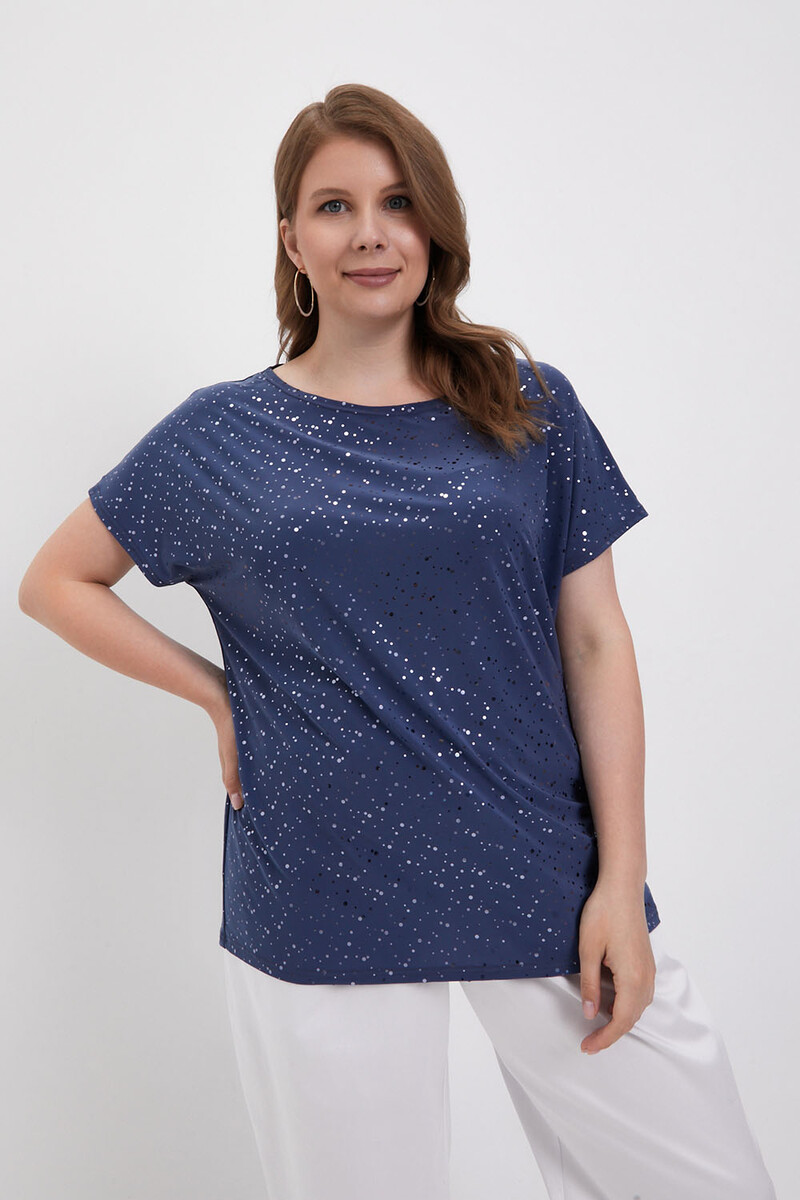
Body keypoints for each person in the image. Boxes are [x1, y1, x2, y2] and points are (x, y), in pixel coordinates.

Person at [18, 83, 776, 1200]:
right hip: (319, 877)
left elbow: (596, 643)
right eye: (334, 206)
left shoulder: (527, 404)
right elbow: (54, 582)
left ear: (436, 226)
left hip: (538, 864)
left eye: (398, 202)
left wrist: (622, 878)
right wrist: (219, 695)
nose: (370, 233)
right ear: (292, 240)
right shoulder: (221, 435)